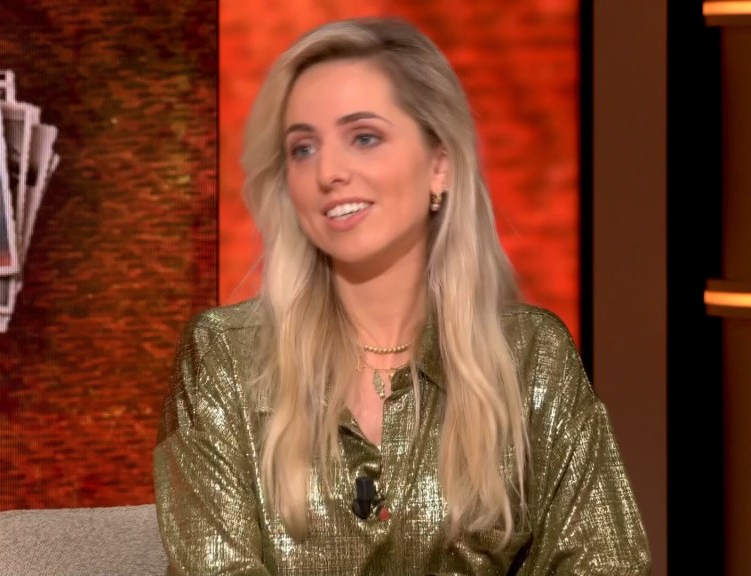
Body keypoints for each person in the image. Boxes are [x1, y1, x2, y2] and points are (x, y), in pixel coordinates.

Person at [153, 17, 651, 575]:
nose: (328, 172)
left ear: (440, 164)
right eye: (303, 149)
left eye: (364, 137)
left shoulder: (534, 357)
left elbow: (604, 563)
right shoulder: (225, 357)